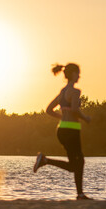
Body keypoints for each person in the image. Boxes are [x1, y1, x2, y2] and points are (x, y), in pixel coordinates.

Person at [33, 63, 92, 200]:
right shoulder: (75, 92)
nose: (79, 76)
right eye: (78, 73)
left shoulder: (62, 93)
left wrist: (62, 117)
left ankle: (45, 160)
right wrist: (85, 118)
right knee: (79, 162)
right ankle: (80, 194)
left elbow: (49, 110)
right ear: (72, 74)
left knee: (75, 165)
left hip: (61, 130)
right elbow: (75, 110)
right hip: (72, 130)